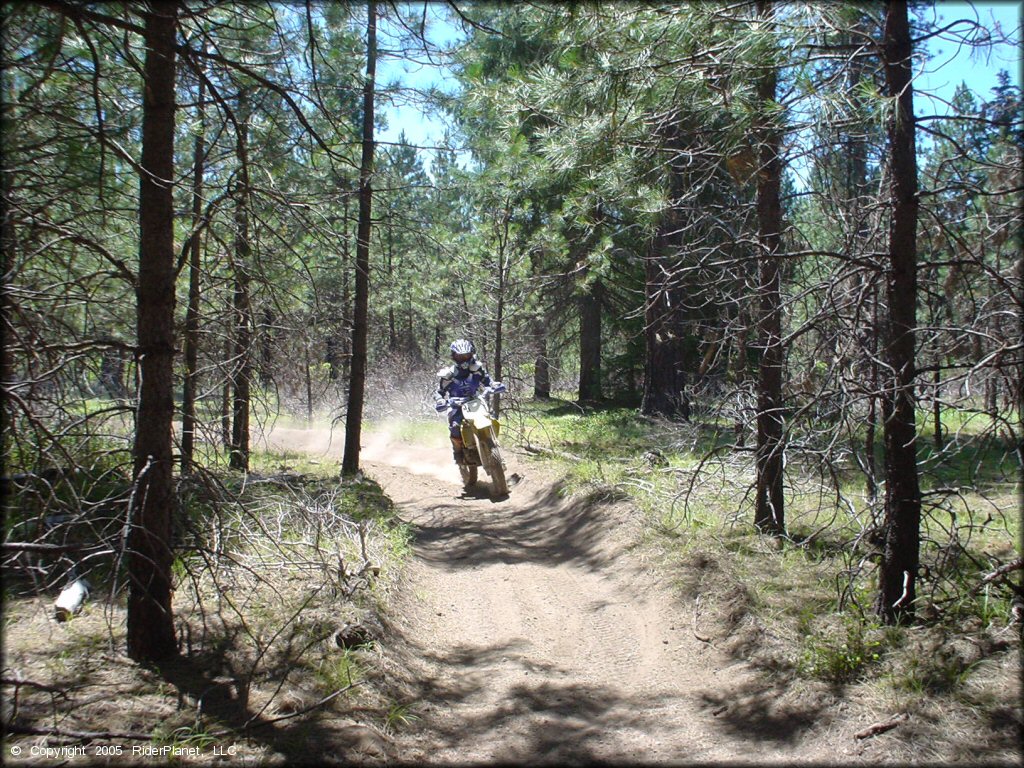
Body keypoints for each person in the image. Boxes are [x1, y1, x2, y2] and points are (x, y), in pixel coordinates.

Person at [434, 339, 492, 463]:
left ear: (471, 354)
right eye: (460, 356)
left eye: (466, 355)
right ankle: (458, 453)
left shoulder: (477, 369)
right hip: (456, 405)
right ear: (454, 357)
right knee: (455, 426)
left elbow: (488, 381)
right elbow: (439, 391)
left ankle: (492, 444)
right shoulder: (448, 374)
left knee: (490, 417)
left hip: (475, 401)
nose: (463, 359)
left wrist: (494, 386)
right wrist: (440, 401)